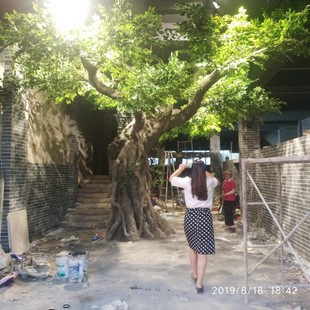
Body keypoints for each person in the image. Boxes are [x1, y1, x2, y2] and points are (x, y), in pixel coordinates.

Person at [169, 161, 218, 294]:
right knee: (202, 253)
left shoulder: (186, 181)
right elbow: (214, 178)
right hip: (204, 218)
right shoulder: (210, 182)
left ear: (192, 171)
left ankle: (195, 274)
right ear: (204, 171)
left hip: (190, 217)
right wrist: (204, 172)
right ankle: (199, 284)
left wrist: (180, 169)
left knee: (192, 246)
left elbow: (171, 179)